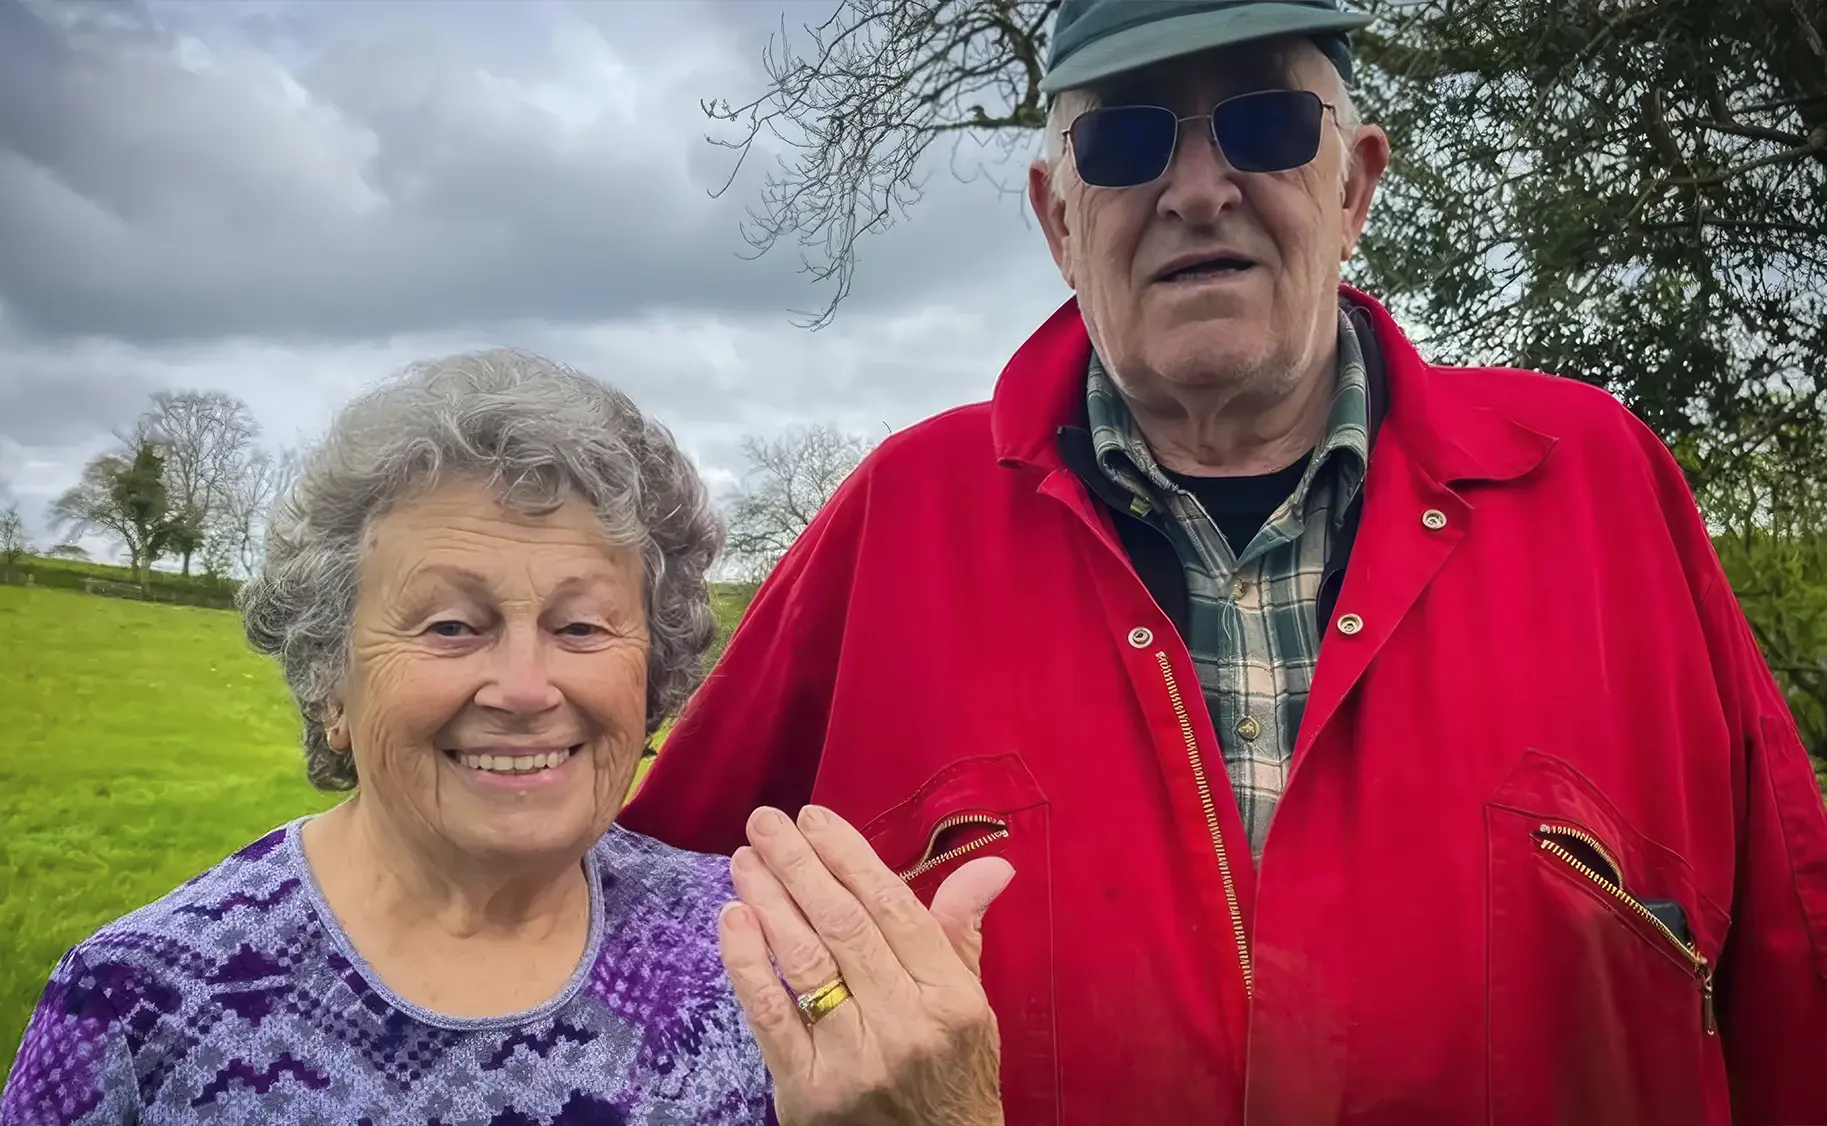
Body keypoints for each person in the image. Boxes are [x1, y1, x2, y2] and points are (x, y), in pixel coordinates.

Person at [620, 1, 1827, 1123]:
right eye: (1127, 142)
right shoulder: (898, 521)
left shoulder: (1599, 484)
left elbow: (1795, 959)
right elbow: (616, 924)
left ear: (1354, 186)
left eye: (1267, 123)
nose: (1199, 190)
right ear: (1057, 219)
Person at [1, 350, 1007, 1126]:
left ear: (648, 676)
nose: (527, 688)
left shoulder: (768, 958)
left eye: (579, 626)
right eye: (450, 625)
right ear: (329, 681)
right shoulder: (137, 1000)